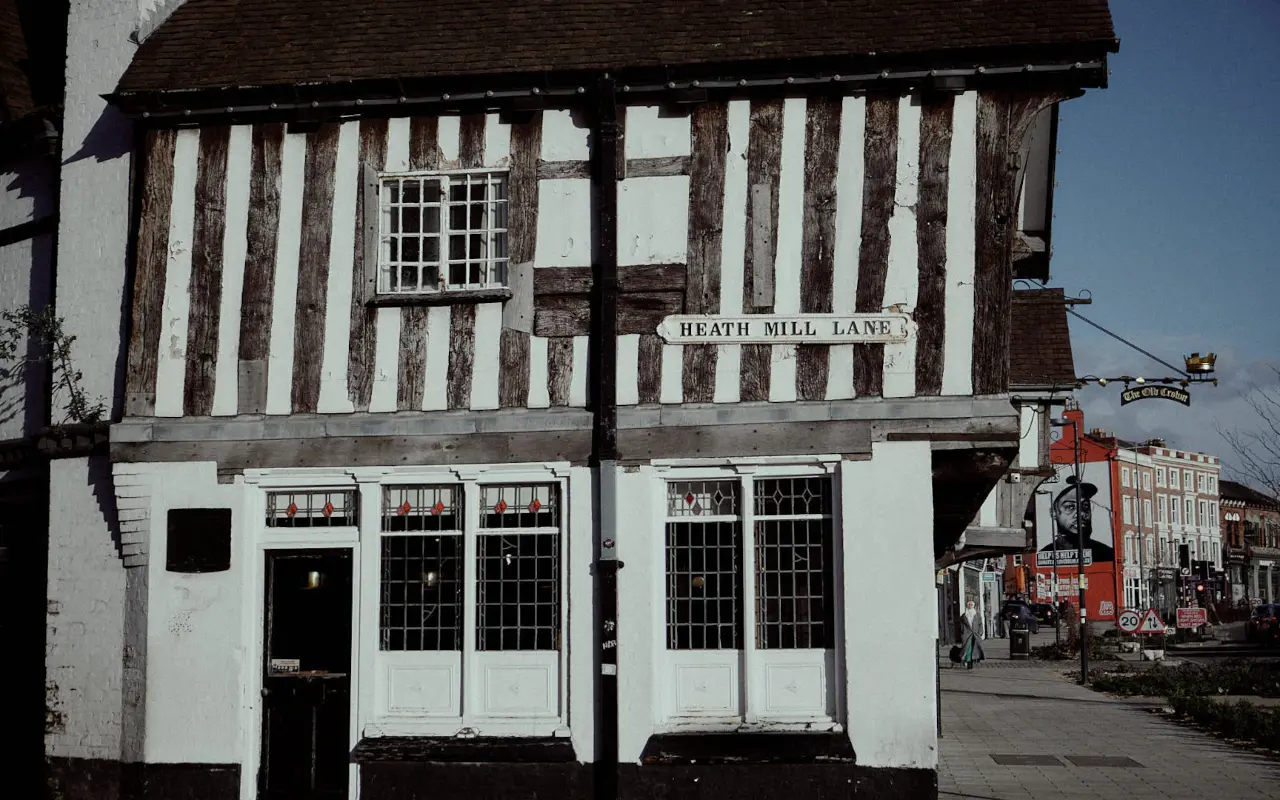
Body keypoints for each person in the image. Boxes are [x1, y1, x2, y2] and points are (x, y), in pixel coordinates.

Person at [1038, 475, 1115, 563]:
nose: (1081, 513)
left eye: (1085, 506)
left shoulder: (1107, 555)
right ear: (1053, 513)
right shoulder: (1044, 555)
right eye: (1070, 507)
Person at [959, 600, 985, 669]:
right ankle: (968, 661)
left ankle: (973, 660)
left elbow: (980, 624)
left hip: (975, 634)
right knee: (967, 648)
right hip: (967, 634)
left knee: (975, 648)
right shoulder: (964, 615)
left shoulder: (977, 614)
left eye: (971, 604)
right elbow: (961, 626)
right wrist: (962, 633)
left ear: (973, 606)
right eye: (969, 604)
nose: (970, 605)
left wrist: (980, 632)